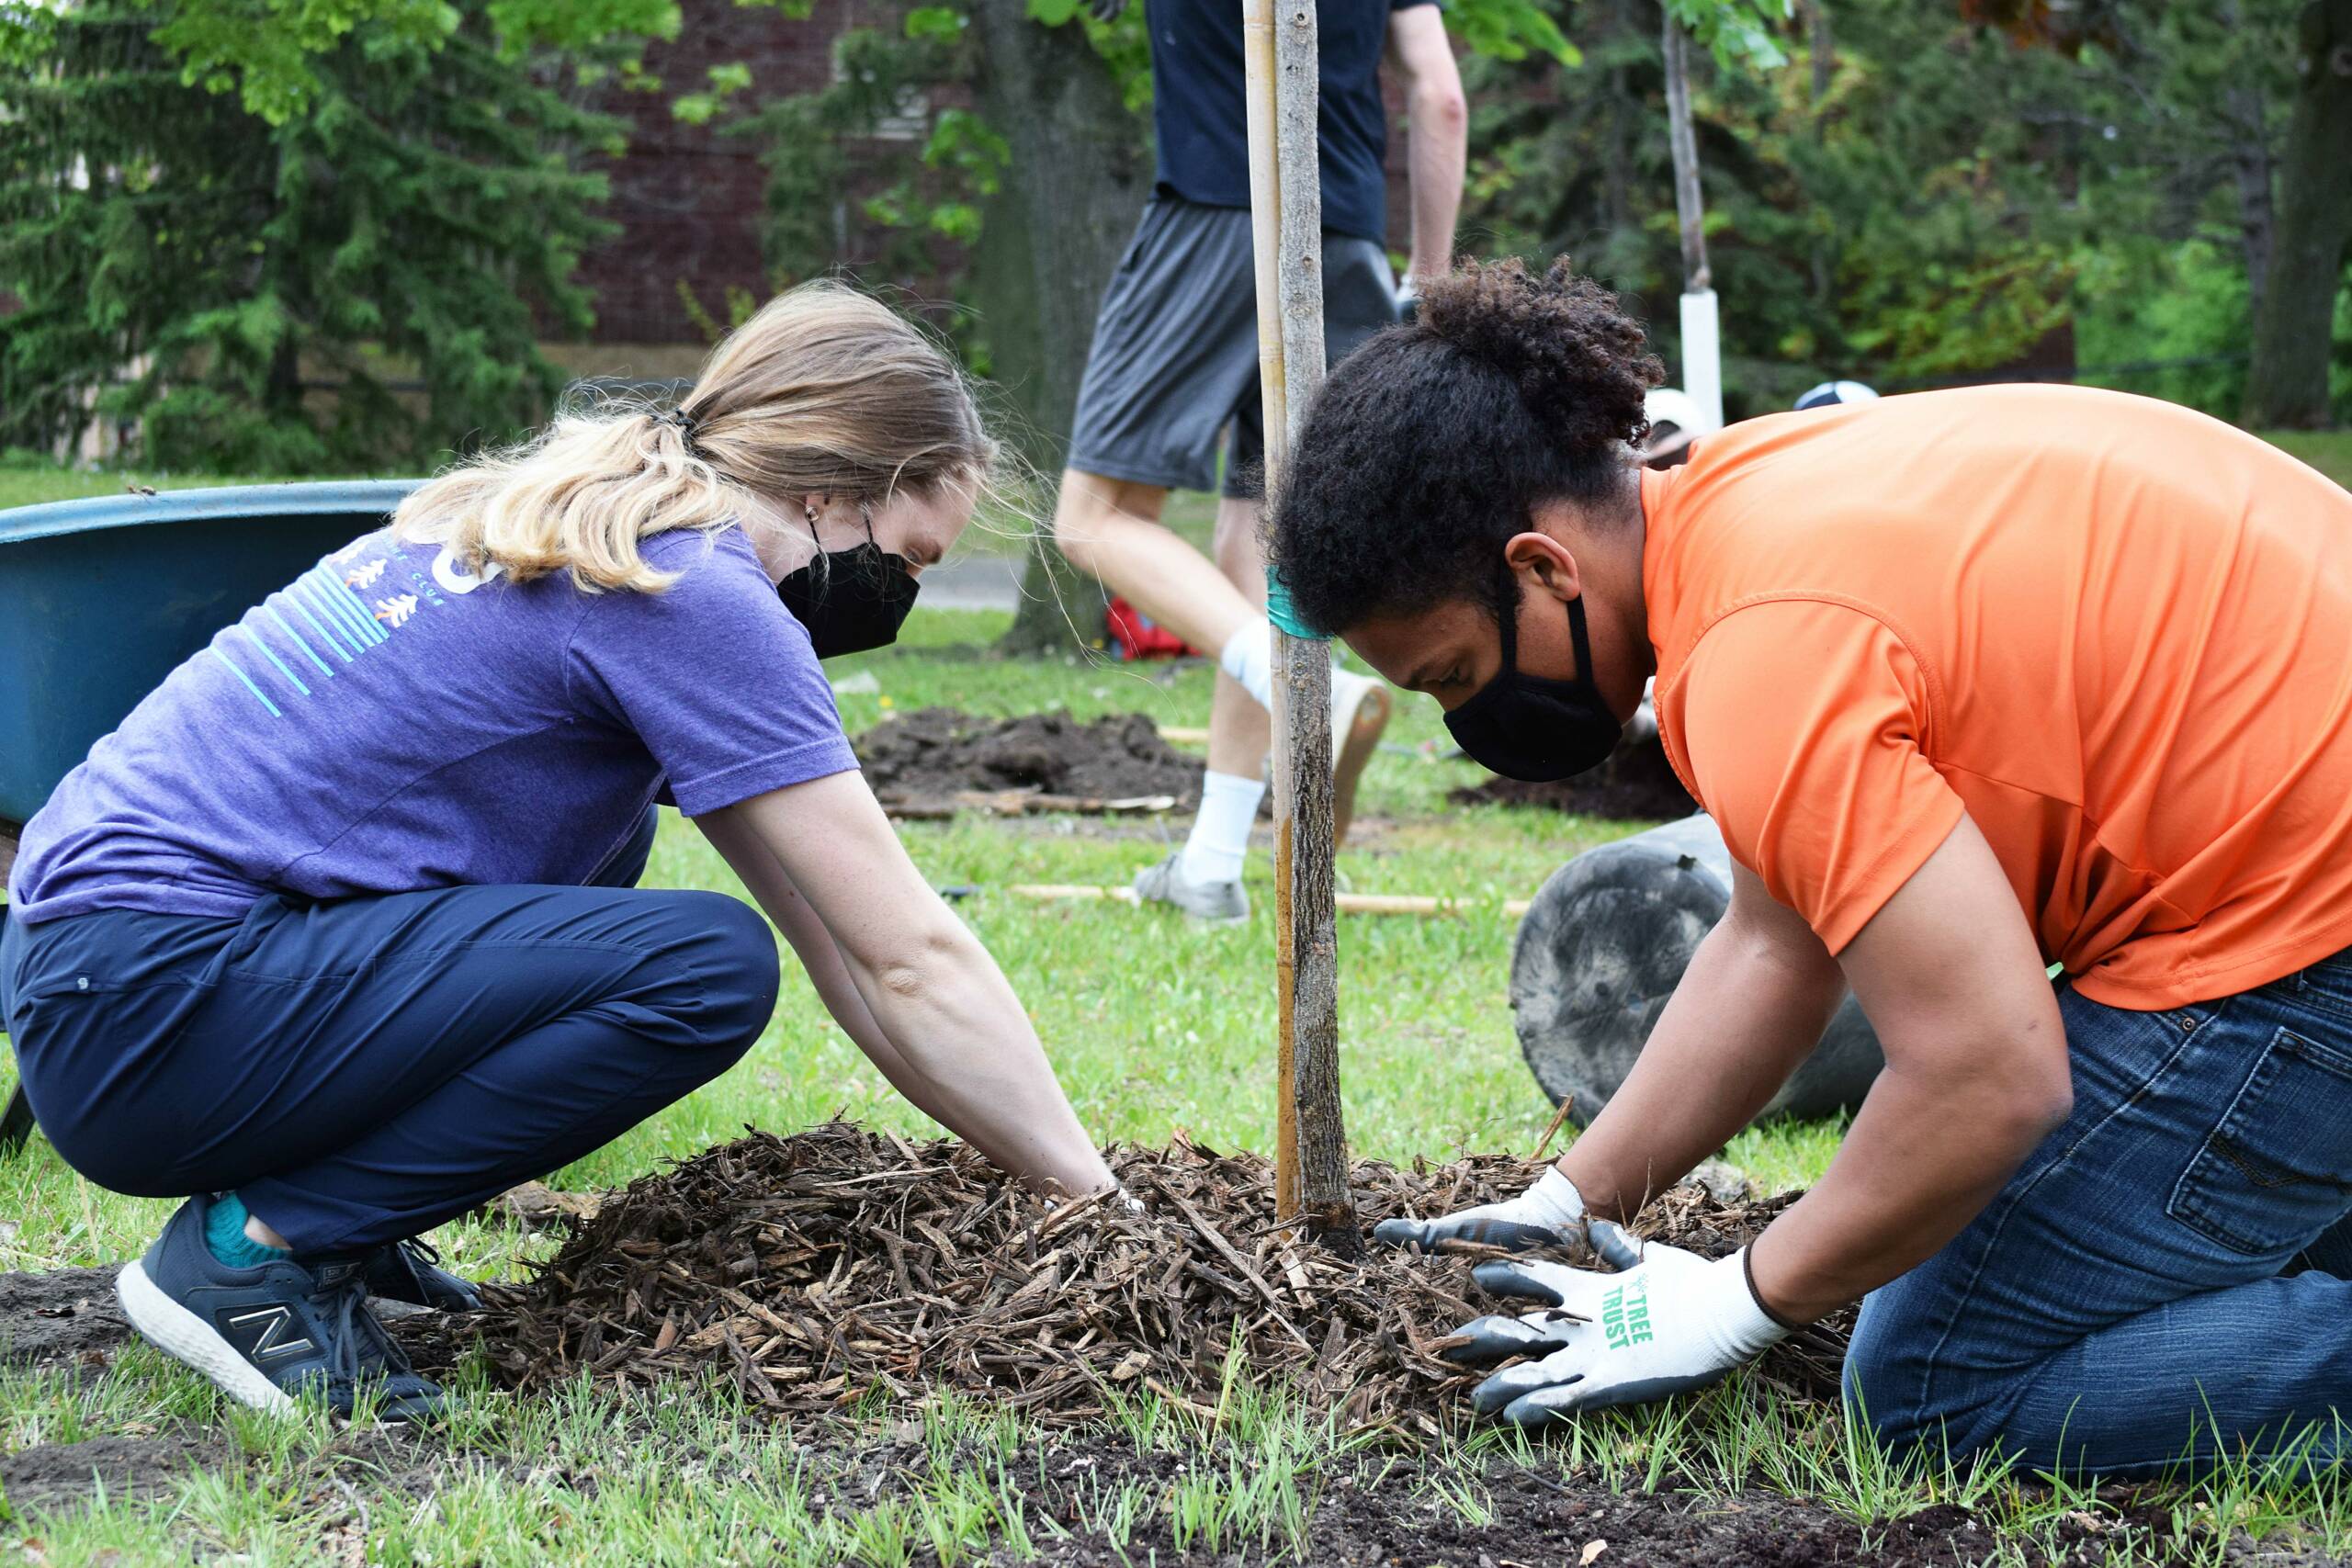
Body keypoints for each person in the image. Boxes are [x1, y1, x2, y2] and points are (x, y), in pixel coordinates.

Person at [1266, 257, 2352, 1475]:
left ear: (1540, 568)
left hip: (2307, 940)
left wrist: (1735, 1297)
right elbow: (1778, 938)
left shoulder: (1760, 652)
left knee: (1936, 1388)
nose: (1475, 721)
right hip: (2302, 870)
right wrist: (1573, 1197)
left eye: (1456, 675)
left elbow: (1990, 1069)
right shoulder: (1736, 504)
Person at [0, 284, 1117, 1422]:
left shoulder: (571, 519)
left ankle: (346, 1223)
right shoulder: (694, 590)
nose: (906, 593)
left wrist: (1054, 1186)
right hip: (155, 1006)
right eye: (911, 558)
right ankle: (258, 1252)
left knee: (606, 838)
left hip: (94, 984)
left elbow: (846, 942)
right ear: (830, 492)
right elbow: (907, 956)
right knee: (700, 970)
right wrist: (1102, 1200)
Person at [1047, 0, 1467, 921]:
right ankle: (1210, 862)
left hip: (1213, 218)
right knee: (1270, 538)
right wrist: (1430, 279)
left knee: (1093, 517)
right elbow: (1439, 99)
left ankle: (1298, 684)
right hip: (1346, 237)